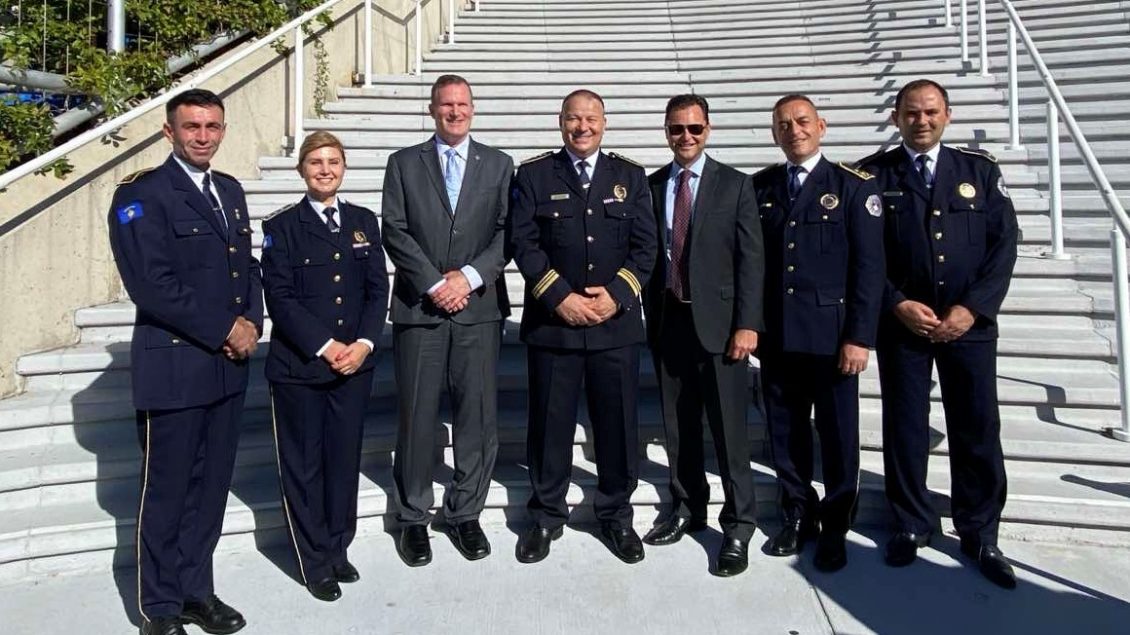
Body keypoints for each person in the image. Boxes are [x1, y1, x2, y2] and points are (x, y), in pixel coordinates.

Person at [107, 88, 261, 635]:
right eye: (192, 126)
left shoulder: (230, 191)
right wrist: (226, 328)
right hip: (174, 370)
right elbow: (152, 285)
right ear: (168, 132)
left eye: (212, 126)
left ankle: (198, 590)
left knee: (211, 488)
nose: (203, 136)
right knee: (168, 491)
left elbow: (246, 270)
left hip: (226, 370)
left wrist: (253, 324)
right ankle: (162, 606)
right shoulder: (141, 196)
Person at [857, 78, 1019, 589]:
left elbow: (1003, 246)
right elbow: (866, 255)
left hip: (967, 325)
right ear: (896, 118)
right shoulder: (873, 175)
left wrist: (973, 308)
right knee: (905, 425)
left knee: (976, 425)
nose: (920, 120)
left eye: (929, 112)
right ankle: (911, 523)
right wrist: (895, 302)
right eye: (910, 113)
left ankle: (980, 531)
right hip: (904, 323)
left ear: (946, 115)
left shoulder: (980, 171)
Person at [507, 89, 657, 564]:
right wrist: (561, 297)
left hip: (615, 327)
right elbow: (523, 243)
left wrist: (617, 295)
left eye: (591, 118)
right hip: (556, 327)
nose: (582, 127)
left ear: (605, 122)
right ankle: (546, 516)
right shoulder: (532, 175)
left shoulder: (629, 176)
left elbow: (646, 248)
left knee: (617, 426)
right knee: (549, 427)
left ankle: (615, 515)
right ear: (560, 122)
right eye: (574, 119)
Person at [381, 74, 515, 566]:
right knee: (416, 416)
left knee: (476, 416)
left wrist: (471, 278)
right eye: (445, 105)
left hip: (478, 311)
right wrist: (437, 283)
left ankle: (465, 512)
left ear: (472, 109)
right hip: (421, 309)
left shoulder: (500, 165)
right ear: (433, 109)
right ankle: (413, 517)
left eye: (461, 104)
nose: (454, 112)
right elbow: (393, 229)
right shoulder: (403, 163)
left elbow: (508, 233)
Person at [753, 94, 885, 573]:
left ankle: (835, 525)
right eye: (784, 124)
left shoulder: (852, 187)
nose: (794, 130)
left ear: (822, 126)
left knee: (837, 436)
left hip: (833, 341)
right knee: (785, 434)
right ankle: (796, 513)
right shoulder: (762, 187)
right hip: (780, 336)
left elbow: (869, 271)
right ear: (774, 133)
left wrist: (860, 337)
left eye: (802, 121)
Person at [260, 131, 389, 602]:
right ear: (301, 170)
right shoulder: (282, 226)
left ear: (344, 167)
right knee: (304, 466)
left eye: (333, 161)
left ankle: (338, 547)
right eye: (315, 162)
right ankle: (312, 560)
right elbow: (280, 297)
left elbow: (378, 290)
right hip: (301, 368)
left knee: (342, 462)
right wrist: (328, 345)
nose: (325, 169)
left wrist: (365, 344)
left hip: (353, 367)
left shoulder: (362, 221)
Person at [641, 94, 764, 577]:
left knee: (729, 432)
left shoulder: (735, 185)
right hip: (670, 322)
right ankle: (689, 507)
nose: (685, 137)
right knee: (679, 426)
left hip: (723, 328)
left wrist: (748, 324)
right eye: (676, 129)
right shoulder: (652, 187)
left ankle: (738, 524)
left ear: (707, 129)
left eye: (694, 128)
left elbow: (751, 260)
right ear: (666, 132)